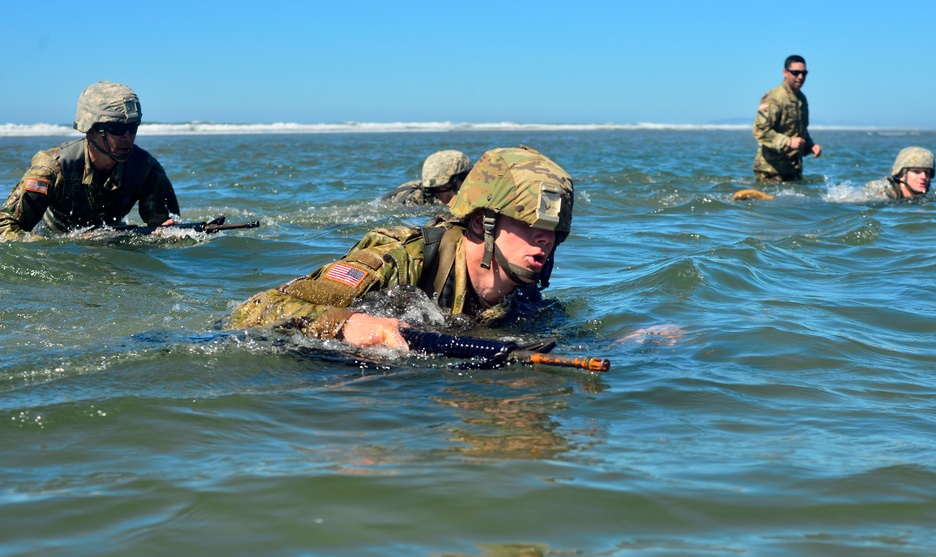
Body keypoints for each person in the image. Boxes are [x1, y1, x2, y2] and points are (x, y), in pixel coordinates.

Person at [227, 145, 573, 350]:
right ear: (480, 222)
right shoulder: (402, 257)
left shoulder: (523, 293)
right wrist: (349, 324)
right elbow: (257, 309)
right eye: (528, 225)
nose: (544, 238)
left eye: (553, 230)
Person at [0, 81, 179, 242]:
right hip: (59, 252)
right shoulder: (53, 168)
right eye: (117, 128)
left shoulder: (147, 169)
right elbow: (5, 227)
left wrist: (167, 235)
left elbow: (165, 226)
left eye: (133, 127)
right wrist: (51, 244)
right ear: (91, 131)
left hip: (114, 247)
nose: (128, 137)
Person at [752, 55, 822, 182]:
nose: (800, 77)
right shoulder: (774, 98)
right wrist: (787, 142)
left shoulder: (801, 99)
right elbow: (760, 131)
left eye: (804, 73)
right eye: (796, 73)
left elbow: (799, 130)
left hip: (793, 169)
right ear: (785, 73)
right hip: (771, 171)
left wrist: (810, 146)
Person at [380, 150, 472, 206]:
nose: (469, 181)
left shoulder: (435, 196)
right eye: (464, 178)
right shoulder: (412, 201)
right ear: (444, 185)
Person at [866, 147, 936, 199]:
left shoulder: (926, 197)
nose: (923, 177)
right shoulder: (882, 192)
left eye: (927, 172)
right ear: (901, 174)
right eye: (916, 171)